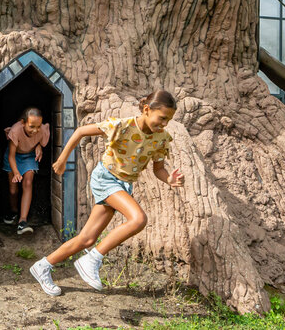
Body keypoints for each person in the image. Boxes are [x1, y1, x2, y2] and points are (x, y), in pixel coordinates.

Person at [28, 90, 183, 296]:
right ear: (147, 109)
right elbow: (80, 131)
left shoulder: (161, 138)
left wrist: (169, 179)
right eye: (162, 118)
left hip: (124, 184)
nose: (164, 124)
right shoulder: (123, 126)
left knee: (87, 239)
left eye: (168, 120)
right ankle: (92, 259)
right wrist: (63, 158)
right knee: (138, 219)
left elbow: (158, 169)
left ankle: (43, 266)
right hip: (106, 179)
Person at [1, 107, 50, 235]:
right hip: (13, 157)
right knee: (13, 190)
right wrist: (16, 172)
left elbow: (41, 132)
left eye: (38, 126)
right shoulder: (16, 130)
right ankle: (14, 211)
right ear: (23, 123)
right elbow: (11, 155)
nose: (35, 130)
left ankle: (22, 221)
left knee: (28, 183)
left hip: (29, 156)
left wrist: (39, 145)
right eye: (32, 126)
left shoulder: (41, 130)